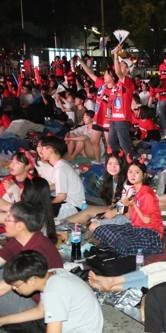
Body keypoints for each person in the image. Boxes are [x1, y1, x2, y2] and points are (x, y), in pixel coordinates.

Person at [0, 251, 103, 332]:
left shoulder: (53, 293)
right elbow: (40, 311)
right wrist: (3, 320)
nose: (14, 289)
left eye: (16, 286)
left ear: (32, 280)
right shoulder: (51, 274)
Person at [0, 202, 63, 330]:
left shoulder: (37, 251)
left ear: (20, 226)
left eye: (8, 219)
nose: (3, 222)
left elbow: (3, 288)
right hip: (25, 288)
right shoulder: (22, 238)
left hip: (40, 307)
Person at [91, 160, 164, 256]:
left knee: (123, 245)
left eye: (137, 172)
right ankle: (117, 246)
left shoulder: (147, 194)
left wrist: (132, 205)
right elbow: (130, 217)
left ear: (144, 175)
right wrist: (125, 206)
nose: (133, 175)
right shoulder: (133, 191)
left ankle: (119, 247)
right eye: (130, 172)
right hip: (135, 229)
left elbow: (146, 221)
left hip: (150, 233)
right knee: (101, 229)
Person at [67, 152, 127, 225]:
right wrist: (111, 207)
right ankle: (60, 225)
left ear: (122, 165)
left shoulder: (127, 181)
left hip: (125, 214)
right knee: (86, 210)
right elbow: (116, 200)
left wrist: (114, 211)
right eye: (110, 163)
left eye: (116, 164)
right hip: (116, 209)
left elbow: (128, 205)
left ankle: (59, 226)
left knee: (88, 214)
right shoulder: (112, 179)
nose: (112, 167)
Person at [78, 57, 116, 162]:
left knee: (110, 145)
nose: (104, 76)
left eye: (106, 74)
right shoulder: (102, 85)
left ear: (112, 77)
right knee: (94, 141)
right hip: (98, 118)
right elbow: (90, 74)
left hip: (109, 121)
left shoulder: (117, 89)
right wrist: (82, 62)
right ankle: (98, 162)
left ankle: (112, 164)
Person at [39, 136, 85, 219]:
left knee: (38, 208)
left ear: (51, 149)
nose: (41, 152)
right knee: (38, 200)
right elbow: (56, 185)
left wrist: (47, 204)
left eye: (43, 149)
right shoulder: (60, 164)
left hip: (73, 207)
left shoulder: (60, 168)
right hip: (71, 203)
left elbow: (61, 197)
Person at [109, 45, 135, 161]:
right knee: (112, 141)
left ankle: (130, 163)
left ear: (128, 69)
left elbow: (118, 72)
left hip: (123, 118)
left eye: (123, 64)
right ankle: (119, 161)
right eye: (120, 64)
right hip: (115, 118)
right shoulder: (118, 83)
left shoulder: (128, 81)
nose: (120, 65)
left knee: (124, 143)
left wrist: (115, 54)